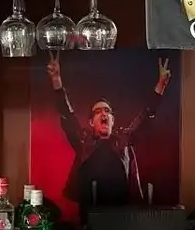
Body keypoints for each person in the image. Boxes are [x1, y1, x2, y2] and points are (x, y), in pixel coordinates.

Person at [46, 52, 171, 214]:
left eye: (107, 111)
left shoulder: (123, 139)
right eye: (98, 112)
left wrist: (160, 86)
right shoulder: (84, 142)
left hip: (122, 214)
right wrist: (56, 81)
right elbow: (67, 114)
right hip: (90, 213)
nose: (103, 114)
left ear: (113, 120)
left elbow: (145, 116)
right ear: (91, 122)